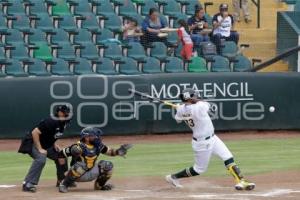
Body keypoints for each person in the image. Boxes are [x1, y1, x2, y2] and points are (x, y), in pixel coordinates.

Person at [165, 88, 255, 191]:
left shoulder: (181, 109)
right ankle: (173, 177)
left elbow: (178, 119)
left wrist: (182, 108)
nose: (196, 97)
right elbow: (204, 104)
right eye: (194, 96)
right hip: (202, 143)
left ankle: (241, 181)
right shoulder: (200, 106)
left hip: (213, 138)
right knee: (199, 170)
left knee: (228, 157)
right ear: (189, 98)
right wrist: (186, 107)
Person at [58, 127, 132, 193]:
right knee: (82, 165)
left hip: (91, 171)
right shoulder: (78, 146)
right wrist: (63, 172)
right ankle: (64, 184)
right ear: (86, 137)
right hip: (77, 174)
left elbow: (110, 152)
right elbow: (61, 154)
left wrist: (118, 151)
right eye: (94, 136)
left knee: (108, 165)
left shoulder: (98, 146)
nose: (97, 138)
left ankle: (99, 186)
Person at [18, 105, 72, 192]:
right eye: (65, 112)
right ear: (59, 113)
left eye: (68, 112)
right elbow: (35, 132)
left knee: (61, 155)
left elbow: (51, 134)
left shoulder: (64, 123)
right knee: (41, 158)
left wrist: (54, 144)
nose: (67, 114)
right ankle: (28, 183)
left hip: (46, 144)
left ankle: (62, 180)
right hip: (32, 142)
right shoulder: (51, 121)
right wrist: (39, 148)